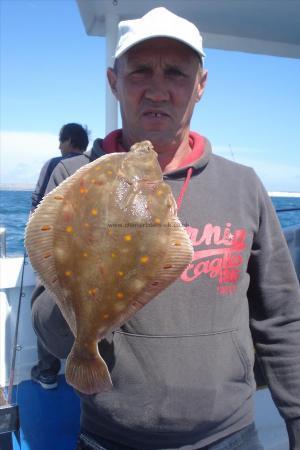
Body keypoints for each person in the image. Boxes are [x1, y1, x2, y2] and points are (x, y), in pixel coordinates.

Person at [30, 7, 300, 450]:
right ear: (114, 81)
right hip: (111, 437)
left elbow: (282, 317)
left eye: (176, 72)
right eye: (139, 72)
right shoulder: (73, 179)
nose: (157, 89)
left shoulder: (244, 185)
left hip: (231, 435)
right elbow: (47, 331)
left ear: (200, 85)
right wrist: (88, 272)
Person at [30, 123, 89, 389]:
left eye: (60, 140)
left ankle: (48, 371)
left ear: (67, 141)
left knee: (47, 307)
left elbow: (38, 207)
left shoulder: (56, 165)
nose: (58, 146)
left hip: (55, 255)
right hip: (87, 255)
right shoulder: (95, 166)